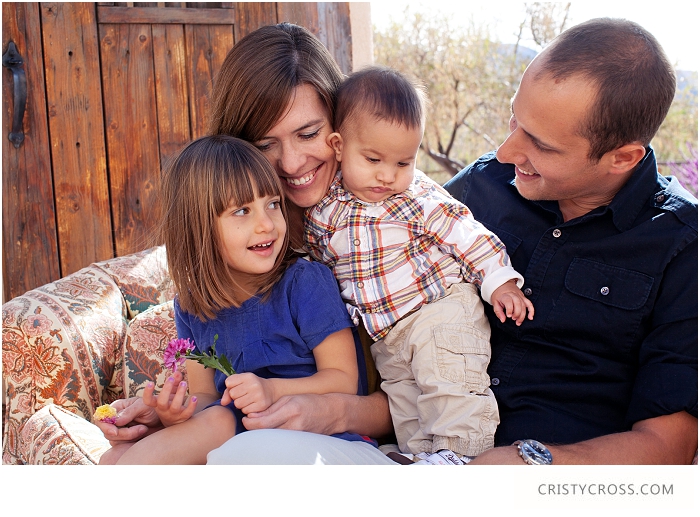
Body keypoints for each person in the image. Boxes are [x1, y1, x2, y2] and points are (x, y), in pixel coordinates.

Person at [443, 17, 697, 464]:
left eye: (540, 144)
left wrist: (529, 465)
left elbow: (668, 446)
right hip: (419, 449)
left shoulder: (681, 244)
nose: (505, 152)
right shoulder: (483, 184)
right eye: (513, 119)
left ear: (623, 157)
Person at [304, 66, 534, 464]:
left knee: (450, 387)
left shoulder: (416, 196)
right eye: (373, 159)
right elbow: (315, 258)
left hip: (439, 310)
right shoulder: (325, 209)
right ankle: (419, 458)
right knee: (405, 400)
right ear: (339, 146)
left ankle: (462, 457)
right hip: (387, 333)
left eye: (402, 162)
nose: (387, 175)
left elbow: (465, 233)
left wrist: (499, 281)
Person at [98, 135, 365, 464]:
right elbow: (206, 395)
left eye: (273, 204)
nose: (266, 224)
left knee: (219, 422)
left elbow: (344, 380)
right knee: (114, 457)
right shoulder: (193, 308)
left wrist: (272, 391)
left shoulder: (303, 283)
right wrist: (172, 414)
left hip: (314, 438)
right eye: (242, 211)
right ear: (200, 229)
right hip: (236, 434)